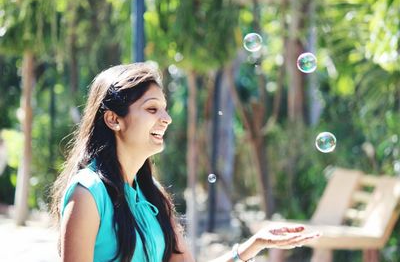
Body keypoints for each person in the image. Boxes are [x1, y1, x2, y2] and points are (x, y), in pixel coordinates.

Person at [50, 63, 320, 262]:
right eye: (152, 109)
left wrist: (254, 245)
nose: (166, 118)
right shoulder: (87, 193)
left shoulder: (152, 194)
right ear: (113, 119)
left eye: (165, 108)